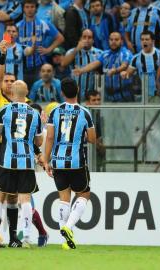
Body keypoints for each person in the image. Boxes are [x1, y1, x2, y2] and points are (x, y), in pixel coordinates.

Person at [0, 79, 43, 249]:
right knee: (24, 199)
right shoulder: (35, 114)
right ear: (27, 94)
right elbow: (39, 142)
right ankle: (25, 239)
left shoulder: (4, 110)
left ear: (11, 93)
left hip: (6, 161)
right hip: (26, 161)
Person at [43, 78, 96, 250]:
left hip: (58, 161)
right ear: (78, 90)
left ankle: (65, 241)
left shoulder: (55, 111)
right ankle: (69, 227)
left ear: (62, 93)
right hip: (77, 161)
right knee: (84, 194)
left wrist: (46, 159)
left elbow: (49, 137)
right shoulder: (84, 112)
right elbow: (93, 139)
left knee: (64, 199)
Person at [73, 32, 133, 102]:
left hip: (125, 97)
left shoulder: (126, 53)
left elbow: (124, 65)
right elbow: (94, 64)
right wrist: (81, 70)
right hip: (108, 97)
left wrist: (116, 70)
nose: (113, 42)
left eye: (116, 40)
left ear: (121, 41)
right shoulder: (105, 54)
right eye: (111, 40)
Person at [62, 29, 103, 102]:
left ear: (93, 40)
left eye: (89, 37)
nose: (86, 40)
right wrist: (77, 49)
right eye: (84, 37)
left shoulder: (99, 53)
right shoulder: (72, 52)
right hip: (74, 94)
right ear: (80, 39)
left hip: (91, 96)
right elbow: (63, 63)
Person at [121, 31, 160, 100]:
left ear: (152, 41)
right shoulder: (136, 58)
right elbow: (128, 73)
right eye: (142, 39)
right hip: (145, 95)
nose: (144, 42)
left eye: (147, 39)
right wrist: (125, 73)